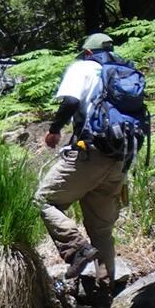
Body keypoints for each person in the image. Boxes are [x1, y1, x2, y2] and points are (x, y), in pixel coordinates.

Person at [36, 31, 128, 289]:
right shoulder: (122, 72)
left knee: (43, 200)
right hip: (120, 159)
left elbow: (72, 101)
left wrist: (54, 129)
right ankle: (105, 291)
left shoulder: (83, 67)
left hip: (91, 153)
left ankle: (78, 250)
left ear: (88, 52)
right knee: (101, 230)